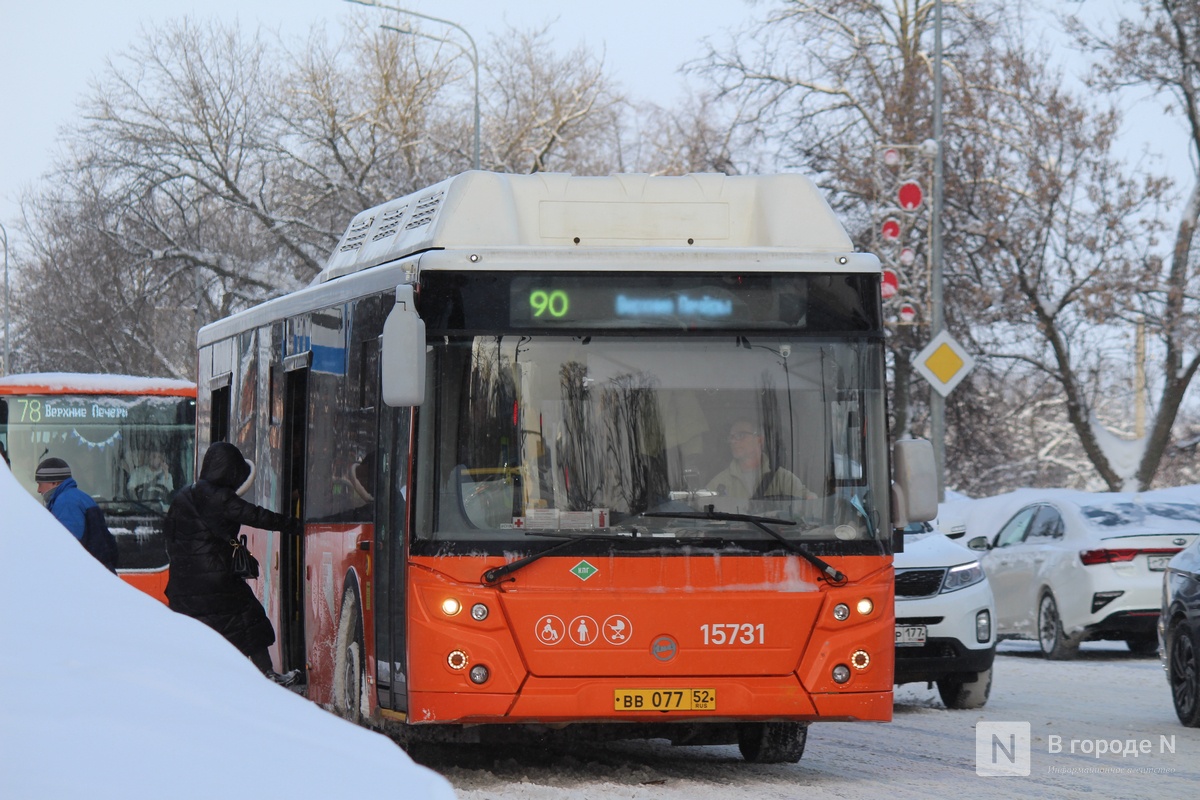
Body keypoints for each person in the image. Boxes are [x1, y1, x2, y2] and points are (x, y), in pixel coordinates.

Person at [164, 442, 300, 686]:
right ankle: (267, 676)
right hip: (216, 581)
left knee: (199, 630)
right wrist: (296, 525)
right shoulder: (221, 497)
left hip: (182, 582)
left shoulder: (183, 496)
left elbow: (170, 536)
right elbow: (257, 516)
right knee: (250, 619)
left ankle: (195, 679)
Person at [706, 420, 815, 512]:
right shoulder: (719, 482)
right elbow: (701, 511)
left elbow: (810, 502)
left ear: (759, 440)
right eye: (731, 437)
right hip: (731, 538)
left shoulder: (782, 478)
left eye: (740, 435)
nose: (733, 441)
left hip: (775, 537)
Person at [36, 457, 119, 571]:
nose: (38, 490)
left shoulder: (66, 503)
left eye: (40, 484)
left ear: (54, 482)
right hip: (98, 571)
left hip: (87, 575)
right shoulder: (79, 497)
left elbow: (67, 548)